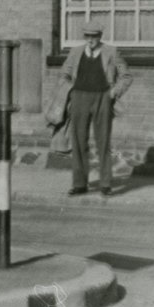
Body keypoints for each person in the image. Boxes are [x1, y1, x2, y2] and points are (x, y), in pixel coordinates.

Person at [59, 20, 133, 196]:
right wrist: (71, 92)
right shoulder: (75, 52)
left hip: (103, 98)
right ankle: (79, 184)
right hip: (79, 98)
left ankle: (105, 184)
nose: (91, 40)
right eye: (88, 36)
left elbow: (126, 76)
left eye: (94, 36)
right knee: (78, 141)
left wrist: (114, 92)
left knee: (103, 141)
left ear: (100, 36)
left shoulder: (112, 52)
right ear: (84, 36)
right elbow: (64, 75)